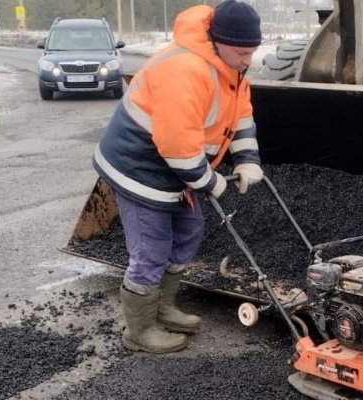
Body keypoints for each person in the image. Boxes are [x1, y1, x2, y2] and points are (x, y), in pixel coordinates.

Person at [93, 0, 263, 353]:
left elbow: (240, 117)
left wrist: (247, 159)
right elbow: (176, 146)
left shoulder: (232, 70)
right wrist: (209, 182)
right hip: (138, 166)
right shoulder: (186, 69)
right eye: (241, 51)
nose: (247, 60)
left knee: (188, 231)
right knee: (151, 249)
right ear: (217, 41)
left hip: (175, 168)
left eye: (253, 51)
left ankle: (164, 307)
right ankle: (139, 332)